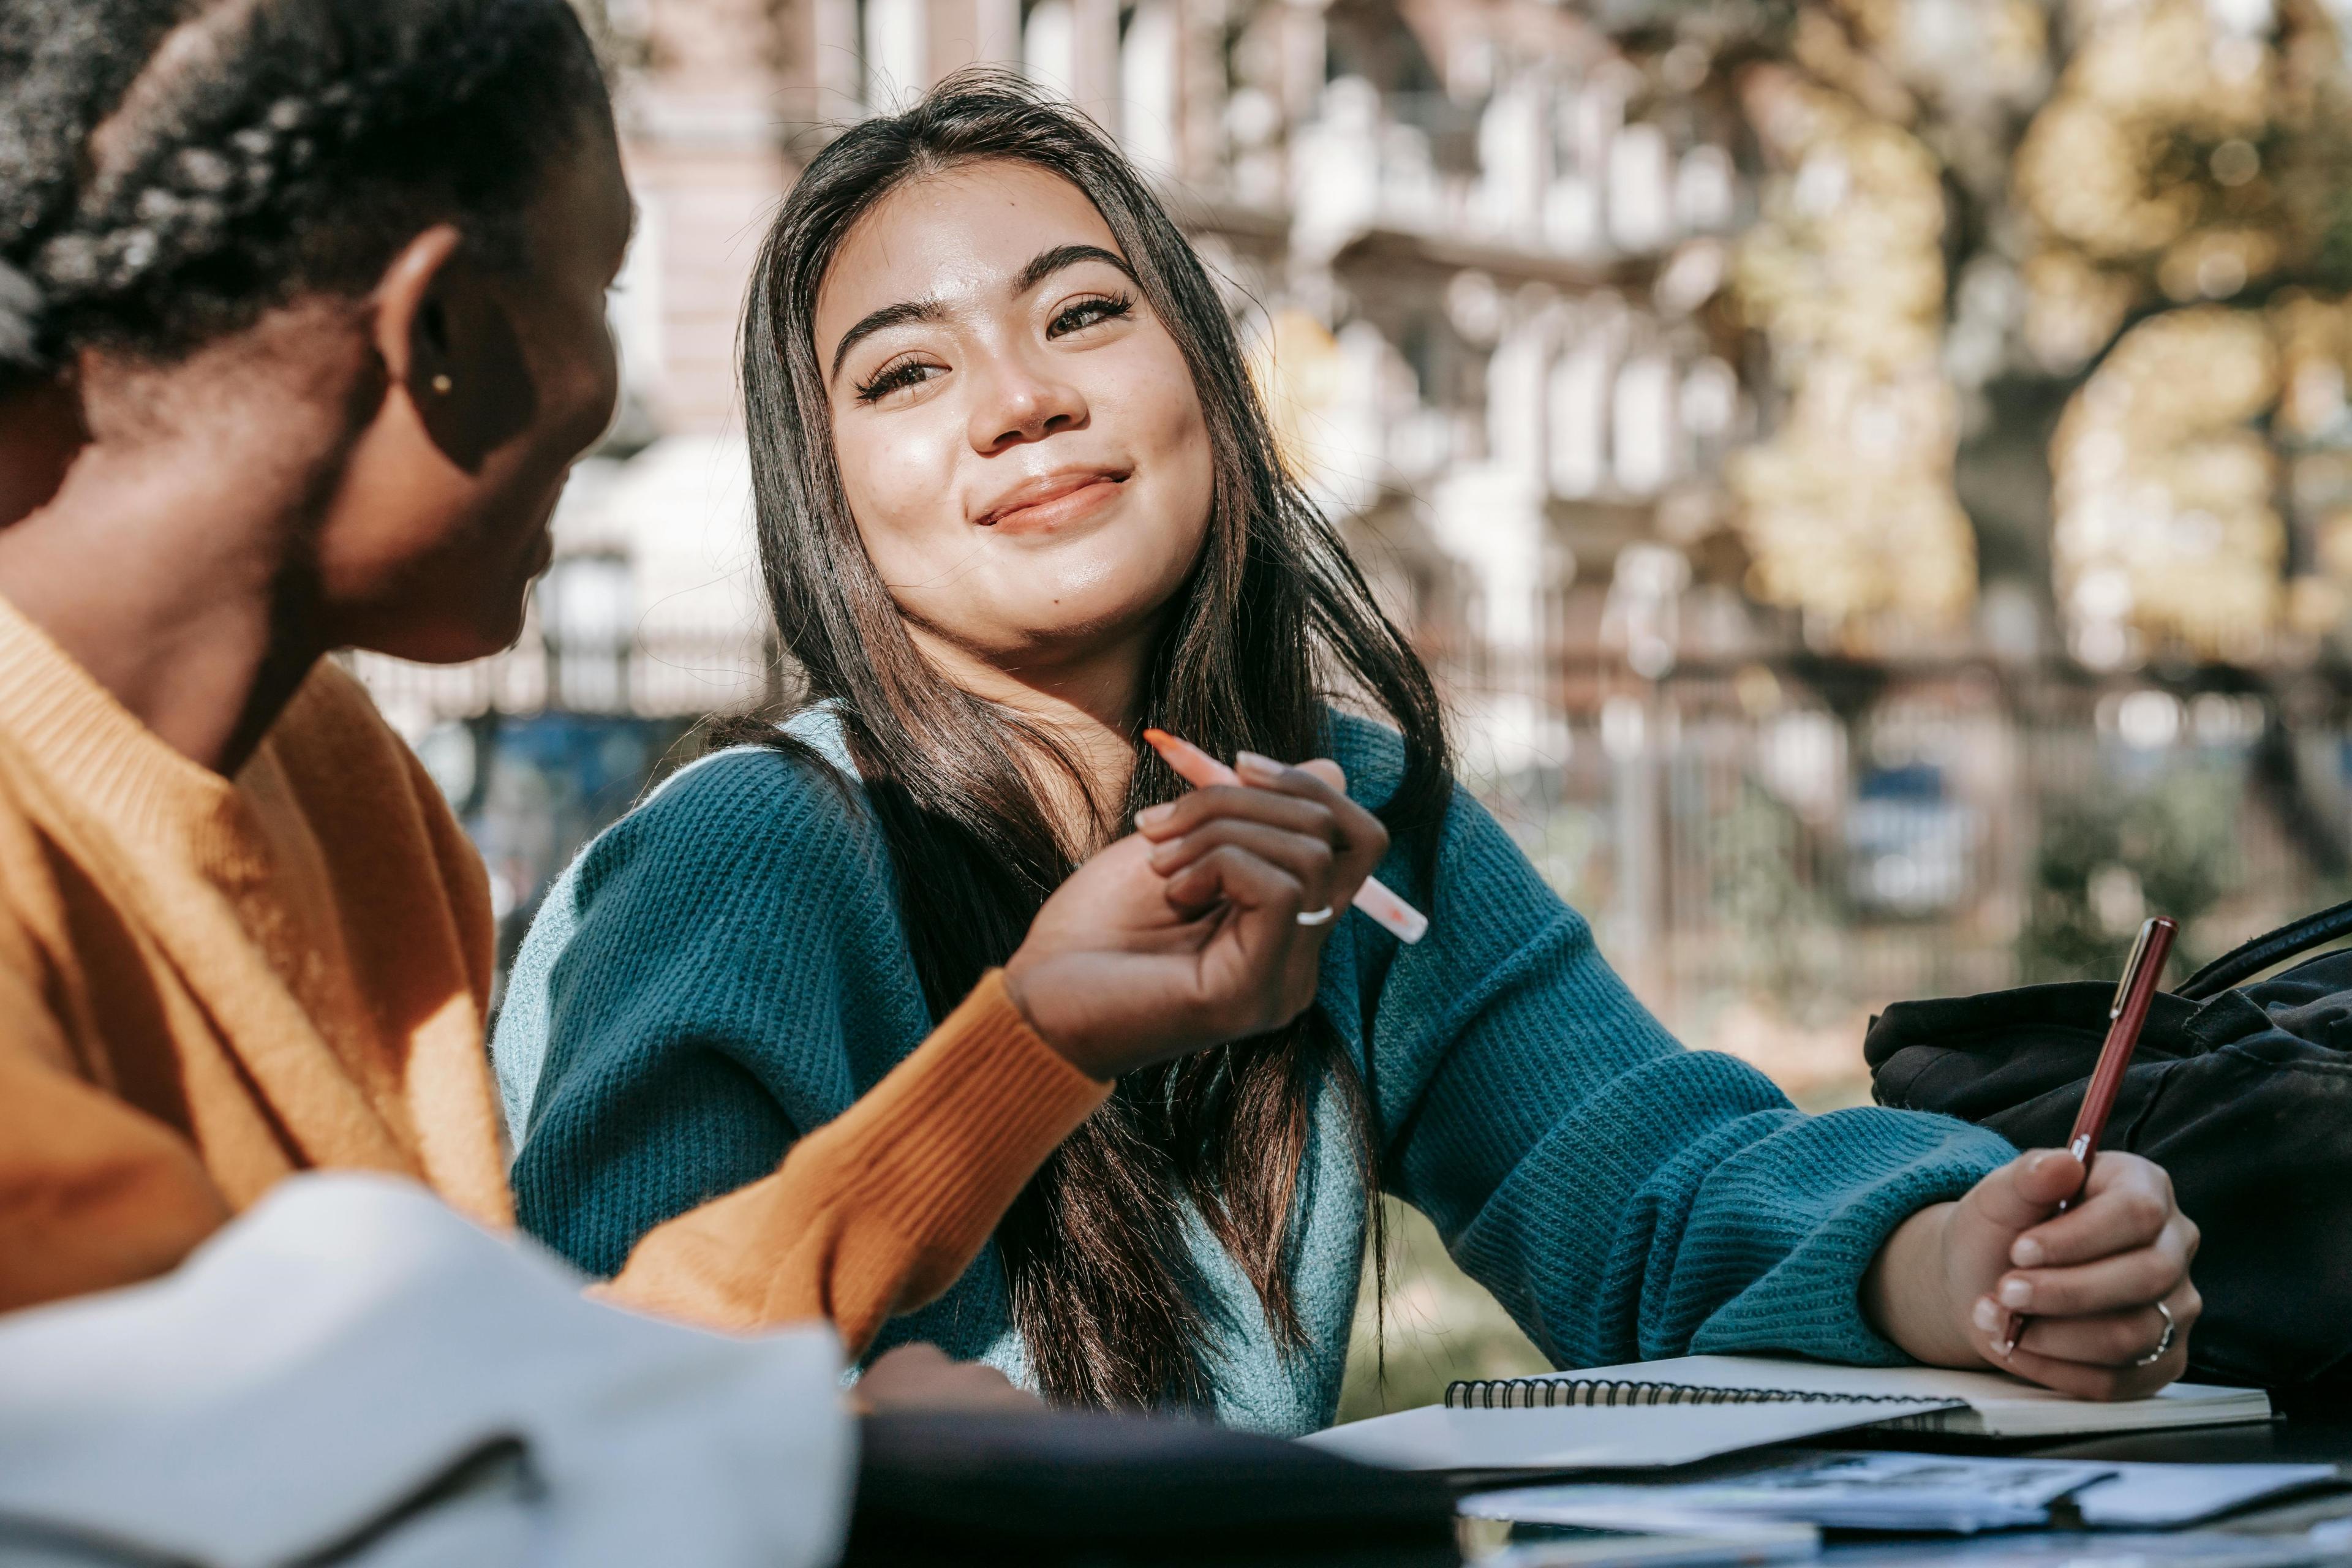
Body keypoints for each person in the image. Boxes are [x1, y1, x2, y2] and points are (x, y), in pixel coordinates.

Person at [498, 72, 2205, 1435]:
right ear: (826, 507)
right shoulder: (750, 853)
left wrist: (1951, 1262)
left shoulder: (1350, 811)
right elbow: (605, 1386)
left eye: (1084, 315)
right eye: (907, 373)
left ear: (1209, 385)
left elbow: (1644, 1188)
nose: (1020, 399)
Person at [0, 0, 1370, 1394]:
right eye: (602, 296)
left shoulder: (340, 782)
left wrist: (1032, 1038)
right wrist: (838, 1469)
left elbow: (514, 1389)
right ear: (446, 333)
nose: (615, 387)